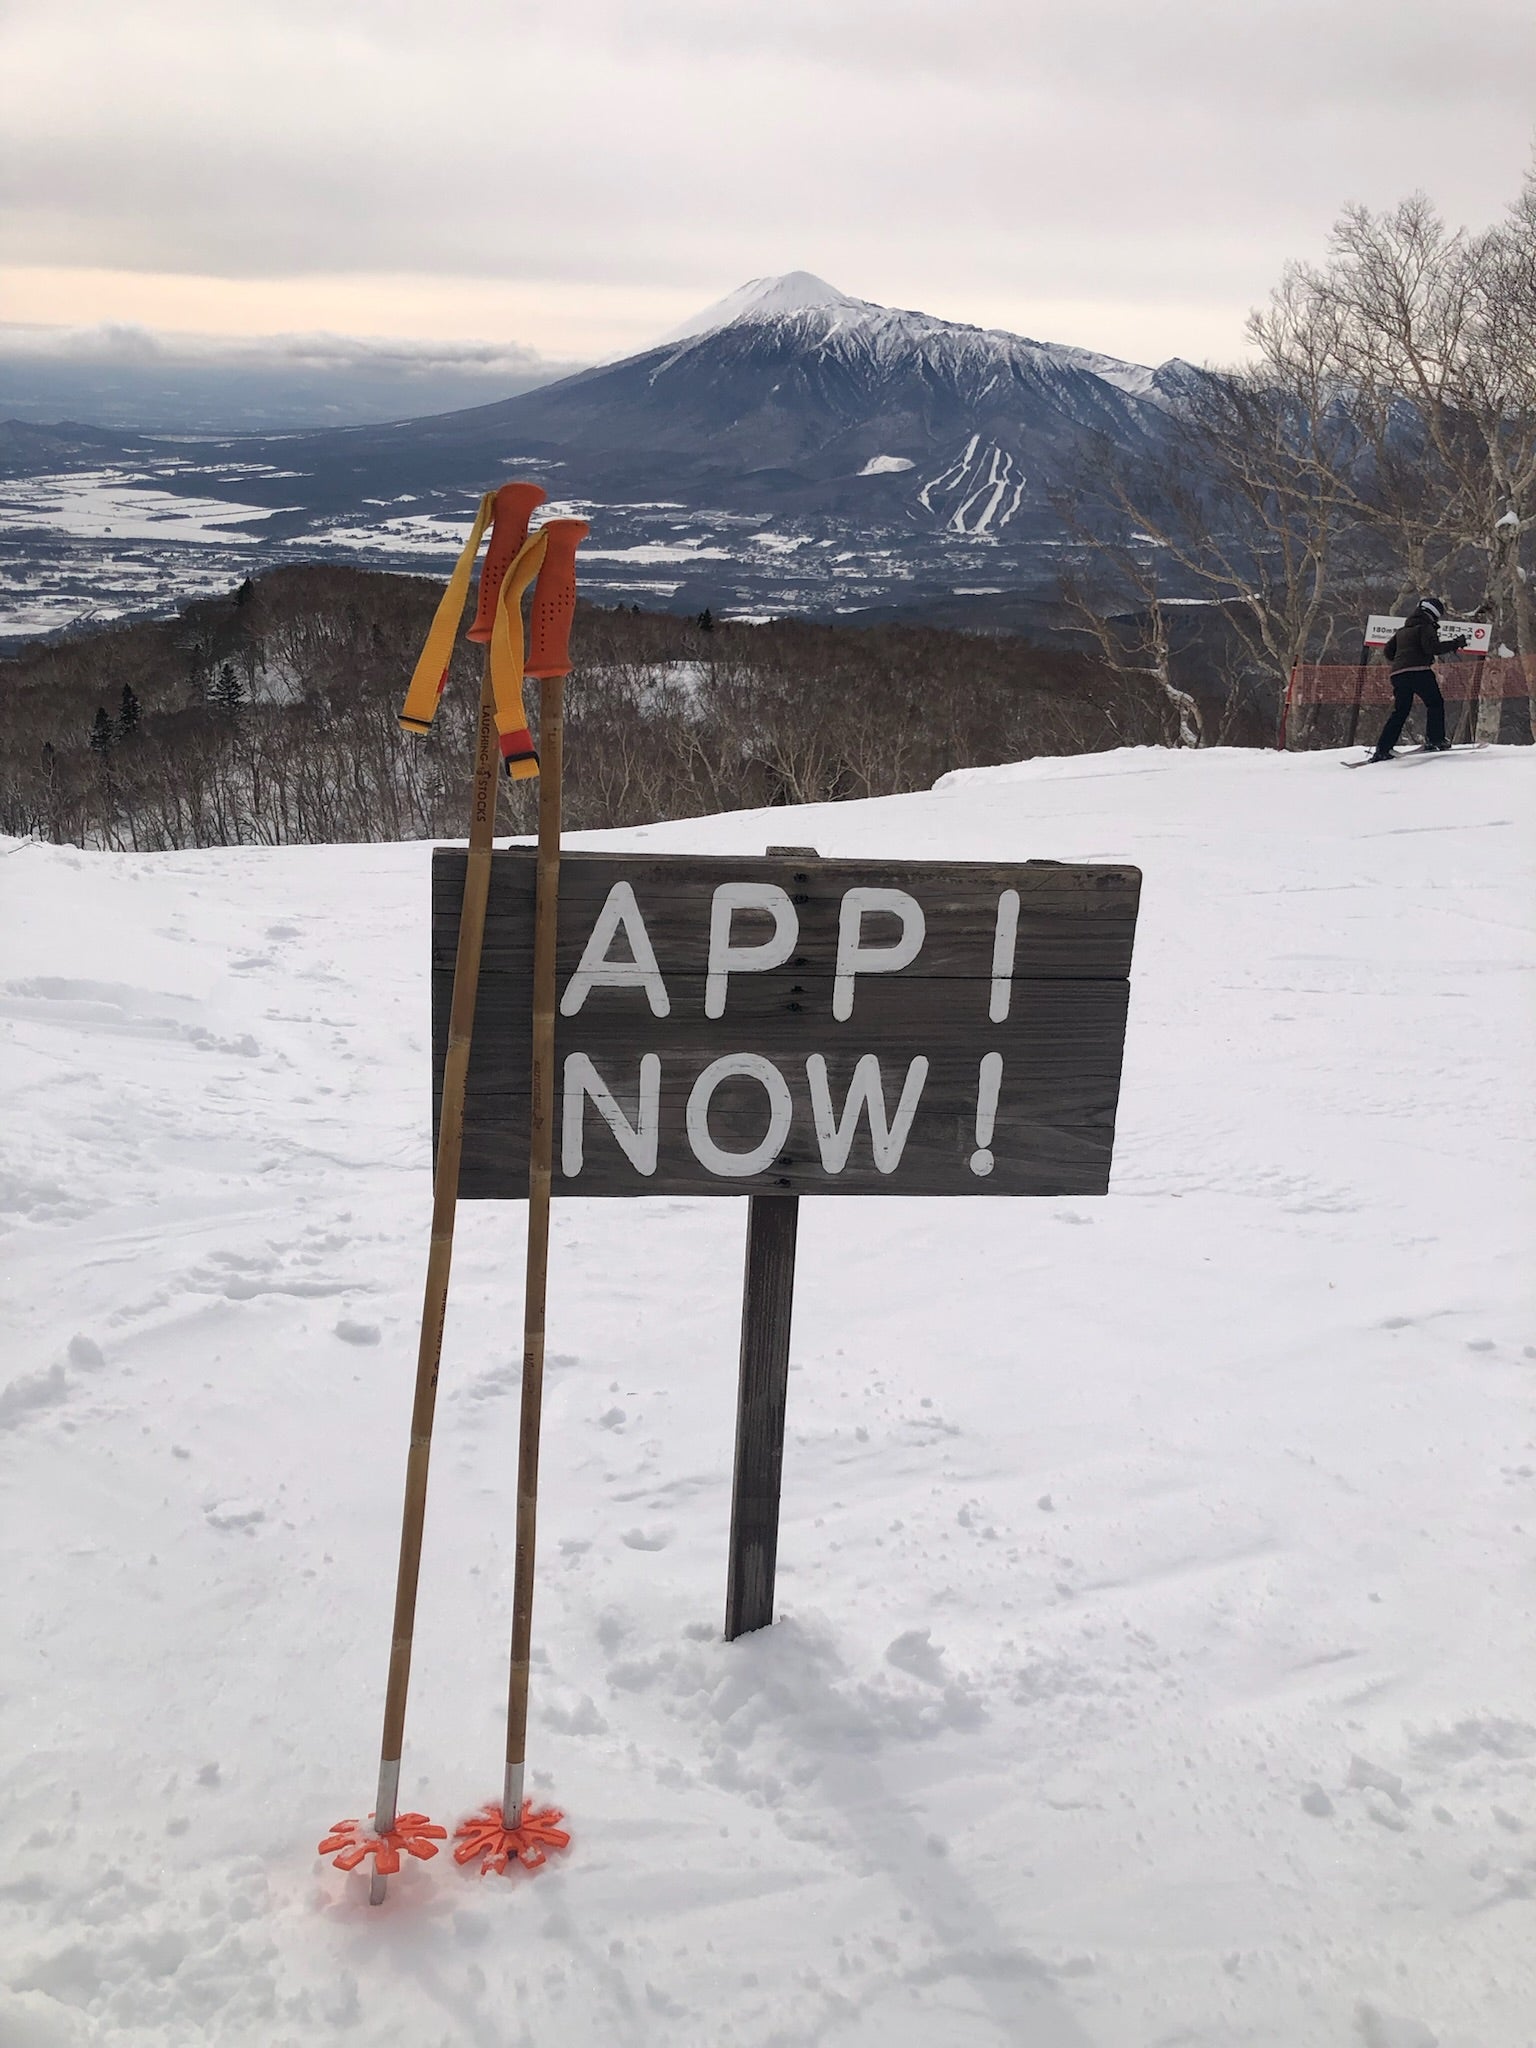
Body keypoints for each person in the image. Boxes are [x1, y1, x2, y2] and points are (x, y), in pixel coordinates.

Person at [1367, 598, 1469, 760]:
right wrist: (1455, 643)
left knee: (1400, 711)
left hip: (1398, 674)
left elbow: (1388, 652)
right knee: (1434, 703)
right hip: (1419, 671)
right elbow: (1433, 648)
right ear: (1434, 614)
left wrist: (1403, 658)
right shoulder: (1425, 627)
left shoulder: (1402, 631)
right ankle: (1435, 740)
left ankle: (1383, 748)